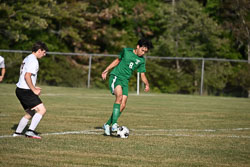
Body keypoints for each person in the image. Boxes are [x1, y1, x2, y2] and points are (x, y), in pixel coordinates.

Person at [102, 38, 153, 136]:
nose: (143, 53)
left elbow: (142, 74)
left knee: (123, 104)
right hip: (116, 77)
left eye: (145, 52)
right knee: (119, 97)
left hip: (125, 81)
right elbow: (117, 60)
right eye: (142, 50)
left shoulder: (141, 60)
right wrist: (107, 69)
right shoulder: (126, 51)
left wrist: (147, 84)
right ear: (138, 46)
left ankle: (107, 124)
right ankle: (114, 124)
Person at [13, 41, 48, 139]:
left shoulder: (28, 57)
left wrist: (33, 87)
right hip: (26, 91)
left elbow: (26, 76)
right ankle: (30, 132)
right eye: (44, 52)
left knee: (30, 112)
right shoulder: (34, 60)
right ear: (39, 50)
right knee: (42, 110)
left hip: (20, 90)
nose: (44, 55)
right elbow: (27, 76)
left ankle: (17, 133)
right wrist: (34, 89)